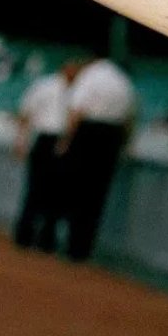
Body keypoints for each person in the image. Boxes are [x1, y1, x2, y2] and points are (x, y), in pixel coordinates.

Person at [56, 53, 137, 261]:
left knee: (77, 189)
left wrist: (66, 140)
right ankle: (84, 247)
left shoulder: (90, 76)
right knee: (96, 195)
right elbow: (130, 117)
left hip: (88, 134)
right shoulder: (123, 80)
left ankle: (72, 244)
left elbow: (77, 111)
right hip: (112, 137)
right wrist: (126, 145)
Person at [12, 60, 79, 252]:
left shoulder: (78, 89)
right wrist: (21, 140)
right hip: (45, 139)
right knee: (35, 188)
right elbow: (26, 113)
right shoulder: (44, 86)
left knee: (58, 192)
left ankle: (46, 239)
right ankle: (25, 235)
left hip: (65, 141)